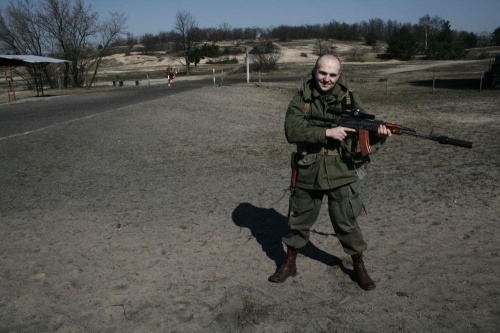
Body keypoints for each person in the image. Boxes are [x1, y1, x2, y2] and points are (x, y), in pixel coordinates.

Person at [268, 54, 391, 291]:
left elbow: (364, 128)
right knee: (299, 221)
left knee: (346, 222)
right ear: (314, 71)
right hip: (308, 172)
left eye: (333, 75)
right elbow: (292, 131)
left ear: (339, 75)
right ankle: (289, 263)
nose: (327, 79)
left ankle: (359, 267)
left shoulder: (349, 99)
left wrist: (379, 134)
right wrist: (327, 133)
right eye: (323, 73)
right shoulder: (300, 100)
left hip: (342, 172)